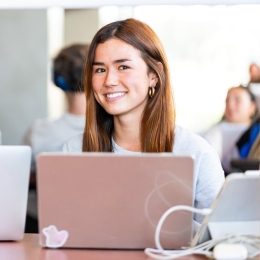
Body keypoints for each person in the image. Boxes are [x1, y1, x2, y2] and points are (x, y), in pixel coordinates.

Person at [63, 18, 224, 233]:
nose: (109, 80)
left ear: (153, 76)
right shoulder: (74, 151)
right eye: (100, 70)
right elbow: (63, 232)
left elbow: (222, 238)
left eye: (123, 67)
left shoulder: (196, 152)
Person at [22, 43, 89, 232]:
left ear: (58, 81)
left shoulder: (39, 131)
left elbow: (22, 178)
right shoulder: (116, 130)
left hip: (42, 225)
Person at [202, 86, 258, 174]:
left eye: (237, 100)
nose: (230, 105)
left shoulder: (256, 132)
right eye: (227, 101)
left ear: (252, 106)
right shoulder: (216, 131)